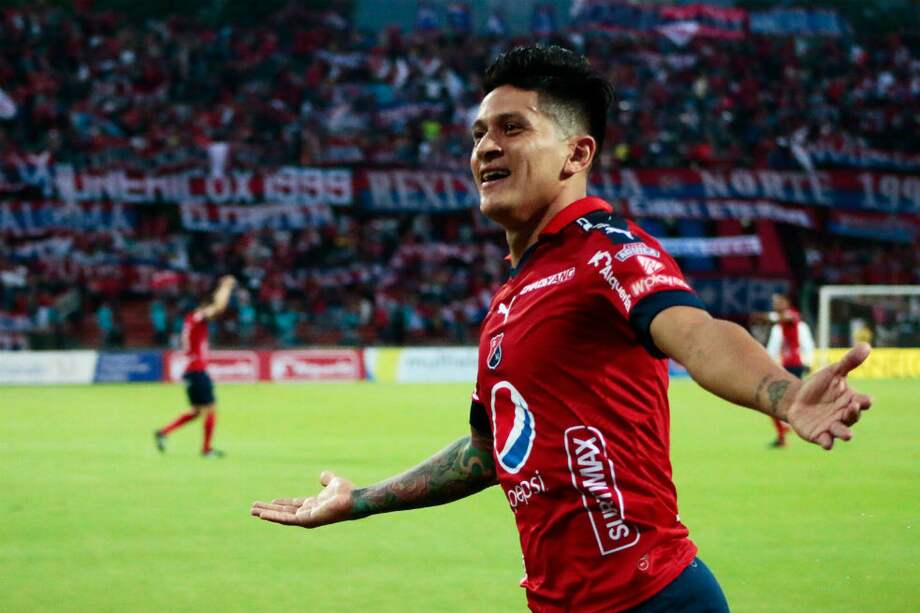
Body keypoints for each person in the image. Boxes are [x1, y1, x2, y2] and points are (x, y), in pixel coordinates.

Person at [250, 46, 873, 613]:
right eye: (479, 133)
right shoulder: (510, 299)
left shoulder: (608, 250)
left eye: (512, 128)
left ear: (577, 154)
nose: (485, 147)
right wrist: (359, 501)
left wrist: (786, 395)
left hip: (652, 600)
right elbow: (489, 452)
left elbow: (696, 333)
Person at [155, 275, 236, 458]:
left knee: (198, 411)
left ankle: (164, 432)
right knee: (210, 409)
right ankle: (206, 450)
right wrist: (226, 286)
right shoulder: (198, 317)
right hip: (197, 370)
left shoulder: (190, 320)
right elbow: (219, 307)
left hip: (191, 371)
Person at [753, 294, 816, 447]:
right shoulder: (778, 327)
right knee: (773, 400)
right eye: (775, 302)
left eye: (779, 302)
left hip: (796, 366)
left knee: (778, 400)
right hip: (783, 367)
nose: (776, 304)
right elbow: (773, 349)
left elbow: (807, 343)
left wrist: (808, 362)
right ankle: (783, 431)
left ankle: (791, 429)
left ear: (788, 303)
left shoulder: (795, 320)